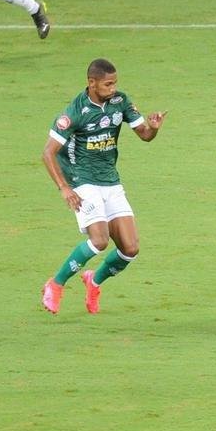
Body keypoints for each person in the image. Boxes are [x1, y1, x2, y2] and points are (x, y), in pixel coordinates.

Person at [41, 59, 165, 315]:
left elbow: (144, 134)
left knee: (130, 249)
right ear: (92, 83)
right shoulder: (74, 113)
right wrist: (64, 188)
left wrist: (153, 128)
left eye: (115, 83)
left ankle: (94, 281)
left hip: (110, 181)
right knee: (99, 240)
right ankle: (56, 284)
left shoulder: (120, 101)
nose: (113, 88)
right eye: (108, 84)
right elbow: (48, 153)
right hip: (81, 180)